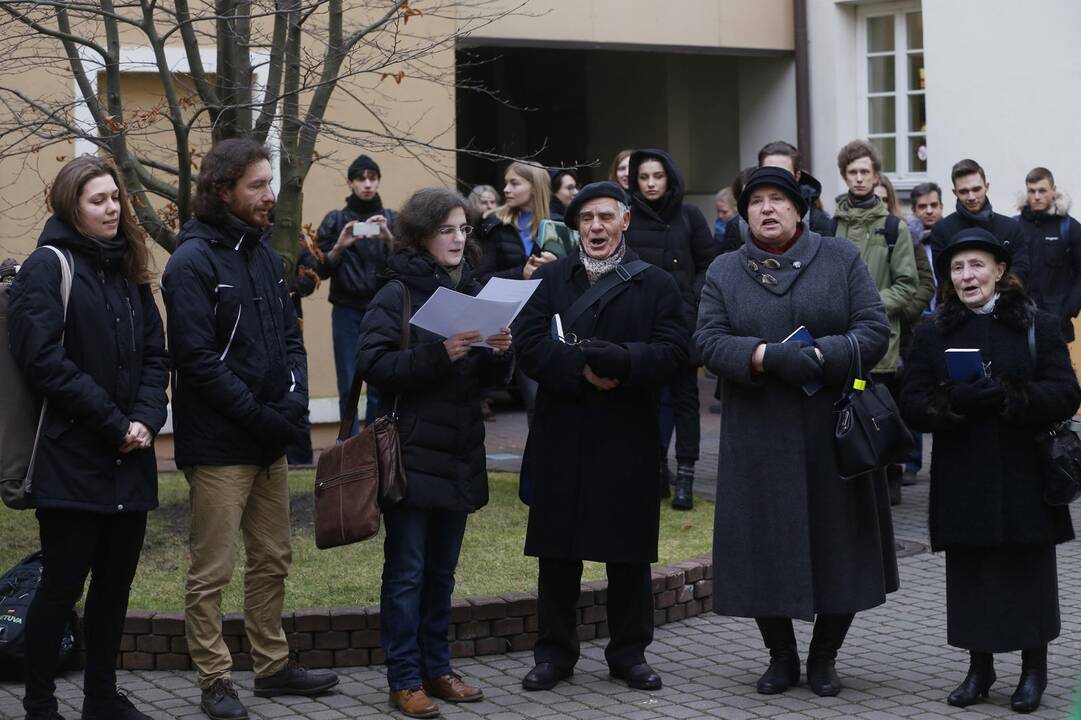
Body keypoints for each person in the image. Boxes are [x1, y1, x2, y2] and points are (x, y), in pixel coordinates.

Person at [695, 166, 897, 698]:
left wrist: (815, 356)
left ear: (799, 209)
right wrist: (764, 357)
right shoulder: (725, 270)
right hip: (759, 434)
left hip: (833, 428)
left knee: (840, 545)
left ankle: (825, 657)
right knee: (764, 545)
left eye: (777, 200)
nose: (767, 209)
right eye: (756, 201)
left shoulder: (841, 258)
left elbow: (874, 328)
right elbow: (708, 341)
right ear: (745, 215)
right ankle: (780, 656)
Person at [162, 138, 338, 720]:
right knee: (211, 569)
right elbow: (197, 361)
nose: (271, 195)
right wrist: (264, 417)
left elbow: (290, 336)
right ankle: (215, 681)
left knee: (274, 557)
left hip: (269, 435)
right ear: (222, 192)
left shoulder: (263, 253)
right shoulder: (190, 262)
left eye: (270, 183)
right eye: (258, 186)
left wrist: (293, 405)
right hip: (219, 445)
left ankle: (272, 667)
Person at [9, 156, 169, 720]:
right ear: (71, 206)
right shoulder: (46, 268)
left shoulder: (128, 270)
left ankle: (101, 697)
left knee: (115, 586)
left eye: (115, 198)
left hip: (131, 456)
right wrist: (113, 423)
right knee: (61, 586)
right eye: (97, 199)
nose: (112, 208)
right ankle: (39, 704)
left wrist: (147, 419)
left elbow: (156, 354)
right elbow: (43, 362)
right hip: (71, 458)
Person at [514, 181, 688, 693]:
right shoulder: (550, 280)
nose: (595, 227)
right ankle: (554, 654)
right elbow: (526, 346)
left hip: (627, 435)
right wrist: (582, 370)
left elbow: (676, 352)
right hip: (562, 432)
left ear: (625, 221)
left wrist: (625, 363)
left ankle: (629, 654)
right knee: (557, 554)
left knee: (628, 554)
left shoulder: (657, 284)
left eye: (605, 217)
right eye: (586, 219)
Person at [899, 227, 1080, 713]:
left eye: (976, 264)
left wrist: (1015, 397)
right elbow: (911, 404)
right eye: (957, 267)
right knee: (972, 579)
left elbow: (1066, 392)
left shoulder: (1036, 323)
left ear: (1000, 271)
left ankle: (1033, 671)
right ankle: (979, 670)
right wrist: (952, 400)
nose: (966, 275)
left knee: (1028, 577)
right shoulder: (932, 332)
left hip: (1026, 477)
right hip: (965, 479)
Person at [356, 188, 512, 719]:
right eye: (447, 229)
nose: (457, 238)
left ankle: (438, 668)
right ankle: (404, 678)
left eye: (463, 229)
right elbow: (373, 365)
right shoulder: (397, 291)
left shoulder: (472, 288)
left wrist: (498, 355)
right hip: (412, 453)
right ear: (422, 233)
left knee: (443, 573)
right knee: (407, 572)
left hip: (460, 450)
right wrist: (437, 354)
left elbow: (487, 383)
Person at [624, 148, 717, 509]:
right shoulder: (628, 217)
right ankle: (657, 469)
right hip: (642, 326)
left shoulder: (689, 215)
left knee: (685, 400)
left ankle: (687, 478)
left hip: (683, 324)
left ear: (670, 178)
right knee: (646, 400)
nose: (650, 183)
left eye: (657, 176)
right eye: (644, 177)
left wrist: (692, 303)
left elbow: (707, 264)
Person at [832, 140, 919, 506]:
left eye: (865, 171)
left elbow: (907, 284)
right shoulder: (829, 224)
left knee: (882, 410)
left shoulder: (893, 227)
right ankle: (855, 479)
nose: (859, 178)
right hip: (839, 338)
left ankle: (891, 476)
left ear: (876, 174)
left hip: (881, 339)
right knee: (847, 407)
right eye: (852, 172)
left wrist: (869, 305)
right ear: (844, 176)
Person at [316, 154, 396, 432]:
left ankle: (376, 446)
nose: (367, 184)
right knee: (348, 380)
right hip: (346, 309)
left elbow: (409, 264)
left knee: (380, 380)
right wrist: (340, 244)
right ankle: (349, 447)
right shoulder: (336, 220)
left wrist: (388, 237)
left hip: (382, 311)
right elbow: (318, 269)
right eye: (361, 179)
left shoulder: (391, 219)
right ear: (350, 182)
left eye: (372, 178)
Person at [899, 182, 943, 485]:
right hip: (917, 322)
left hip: (946, 320)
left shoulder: (949, 236)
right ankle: (912, 462)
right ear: (914, 210)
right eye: (922, 207)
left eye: (933, 206)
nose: (929, 212)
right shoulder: (909, 238)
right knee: (913, 389)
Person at [930, 158, 1030, 282]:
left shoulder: (1011, 227)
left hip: (1005, 299)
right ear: (955, 192)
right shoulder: (941, 230)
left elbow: (1021, 270)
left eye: (976, 189)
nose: (971, 197)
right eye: (964, 191)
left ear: (986, 187)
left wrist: (993, 294)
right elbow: (943, 276)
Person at [1016, 166, 1081, 341]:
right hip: (1019, 323)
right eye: (1032, 191)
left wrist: (1068, 310)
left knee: (1056, 369)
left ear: (1053, 190)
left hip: (1057, 324)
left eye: (1042, 191)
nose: (1036, 197)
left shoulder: (1070, 227)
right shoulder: (1015, 227)